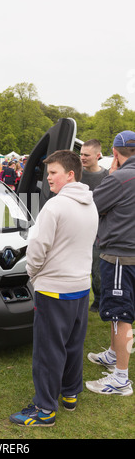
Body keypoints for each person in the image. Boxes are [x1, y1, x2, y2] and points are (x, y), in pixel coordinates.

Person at [9, 150, 98, 427]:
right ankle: (70, 393)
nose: (48, 179)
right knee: (72, 343)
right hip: (81, 287)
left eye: (53, 173)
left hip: (55, 289)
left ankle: (45, 408)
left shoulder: (55, 206)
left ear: (70, 174)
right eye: (48, 173)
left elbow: (37, 249)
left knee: (49, 350)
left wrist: (33, 274)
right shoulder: (90, 203)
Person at [86, 131, 135, 397]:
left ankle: (120, 379)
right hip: (128, 253)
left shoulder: (118, 178)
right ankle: (113, 354)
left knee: (120, 315)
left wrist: (112, 173)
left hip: (120, 254)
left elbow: (92, 207)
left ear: (114, 153)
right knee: (123, 312)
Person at [80, 139, 109, 312]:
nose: (82, 157)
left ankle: (99, 300)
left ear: (98, 155)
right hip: (79, 229)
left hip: (100, 231)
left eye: (86, 155)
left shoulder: (107, 176)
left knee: (98, 270)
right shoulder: (76, 174)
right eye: (81, 154)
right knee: (81, 268)